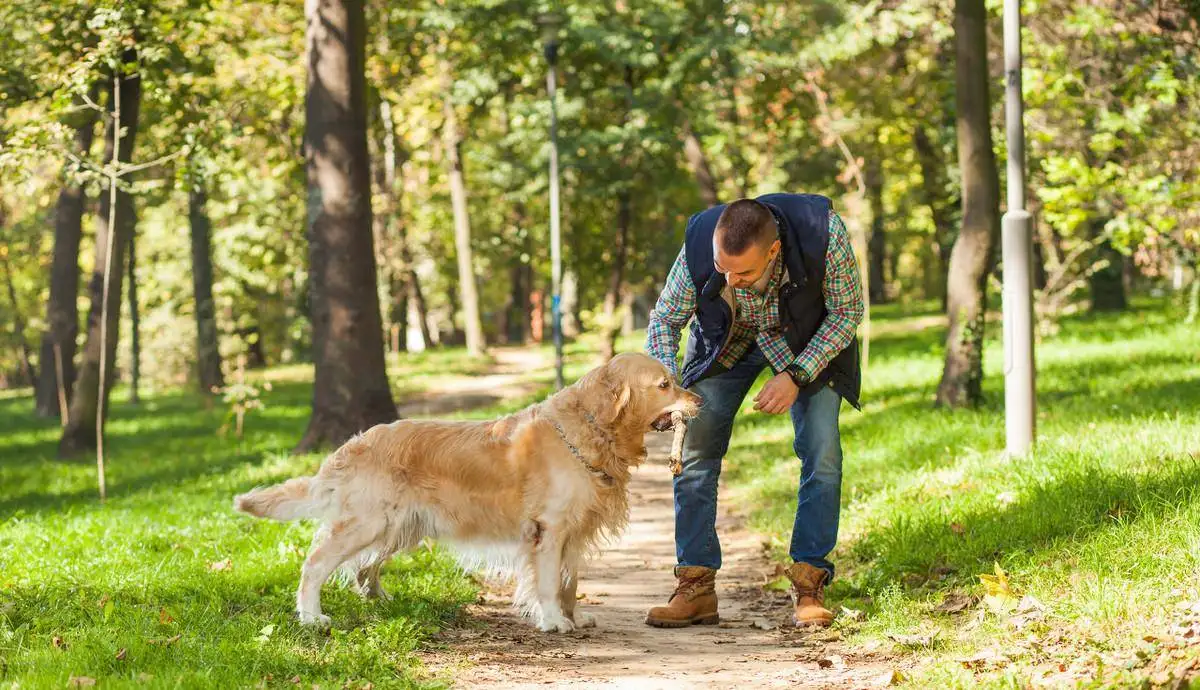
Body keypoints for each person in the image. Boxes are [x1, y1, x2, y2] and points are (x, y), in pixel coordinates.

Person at [643, 193, 864, 629]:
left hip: (804, 343)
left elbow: (846, 311)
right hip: (726, 345)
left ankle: (809, 582)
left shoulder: (826, 234)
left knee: (823, 455)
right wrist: (666, 392)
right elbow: (666, 319)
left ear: (774, 250)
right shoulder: (700, 241)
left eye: (744, 272)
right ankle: (696, 585)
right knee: (694, 455)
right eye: (723, 270)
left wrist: (797, 375)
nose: (732, 279)